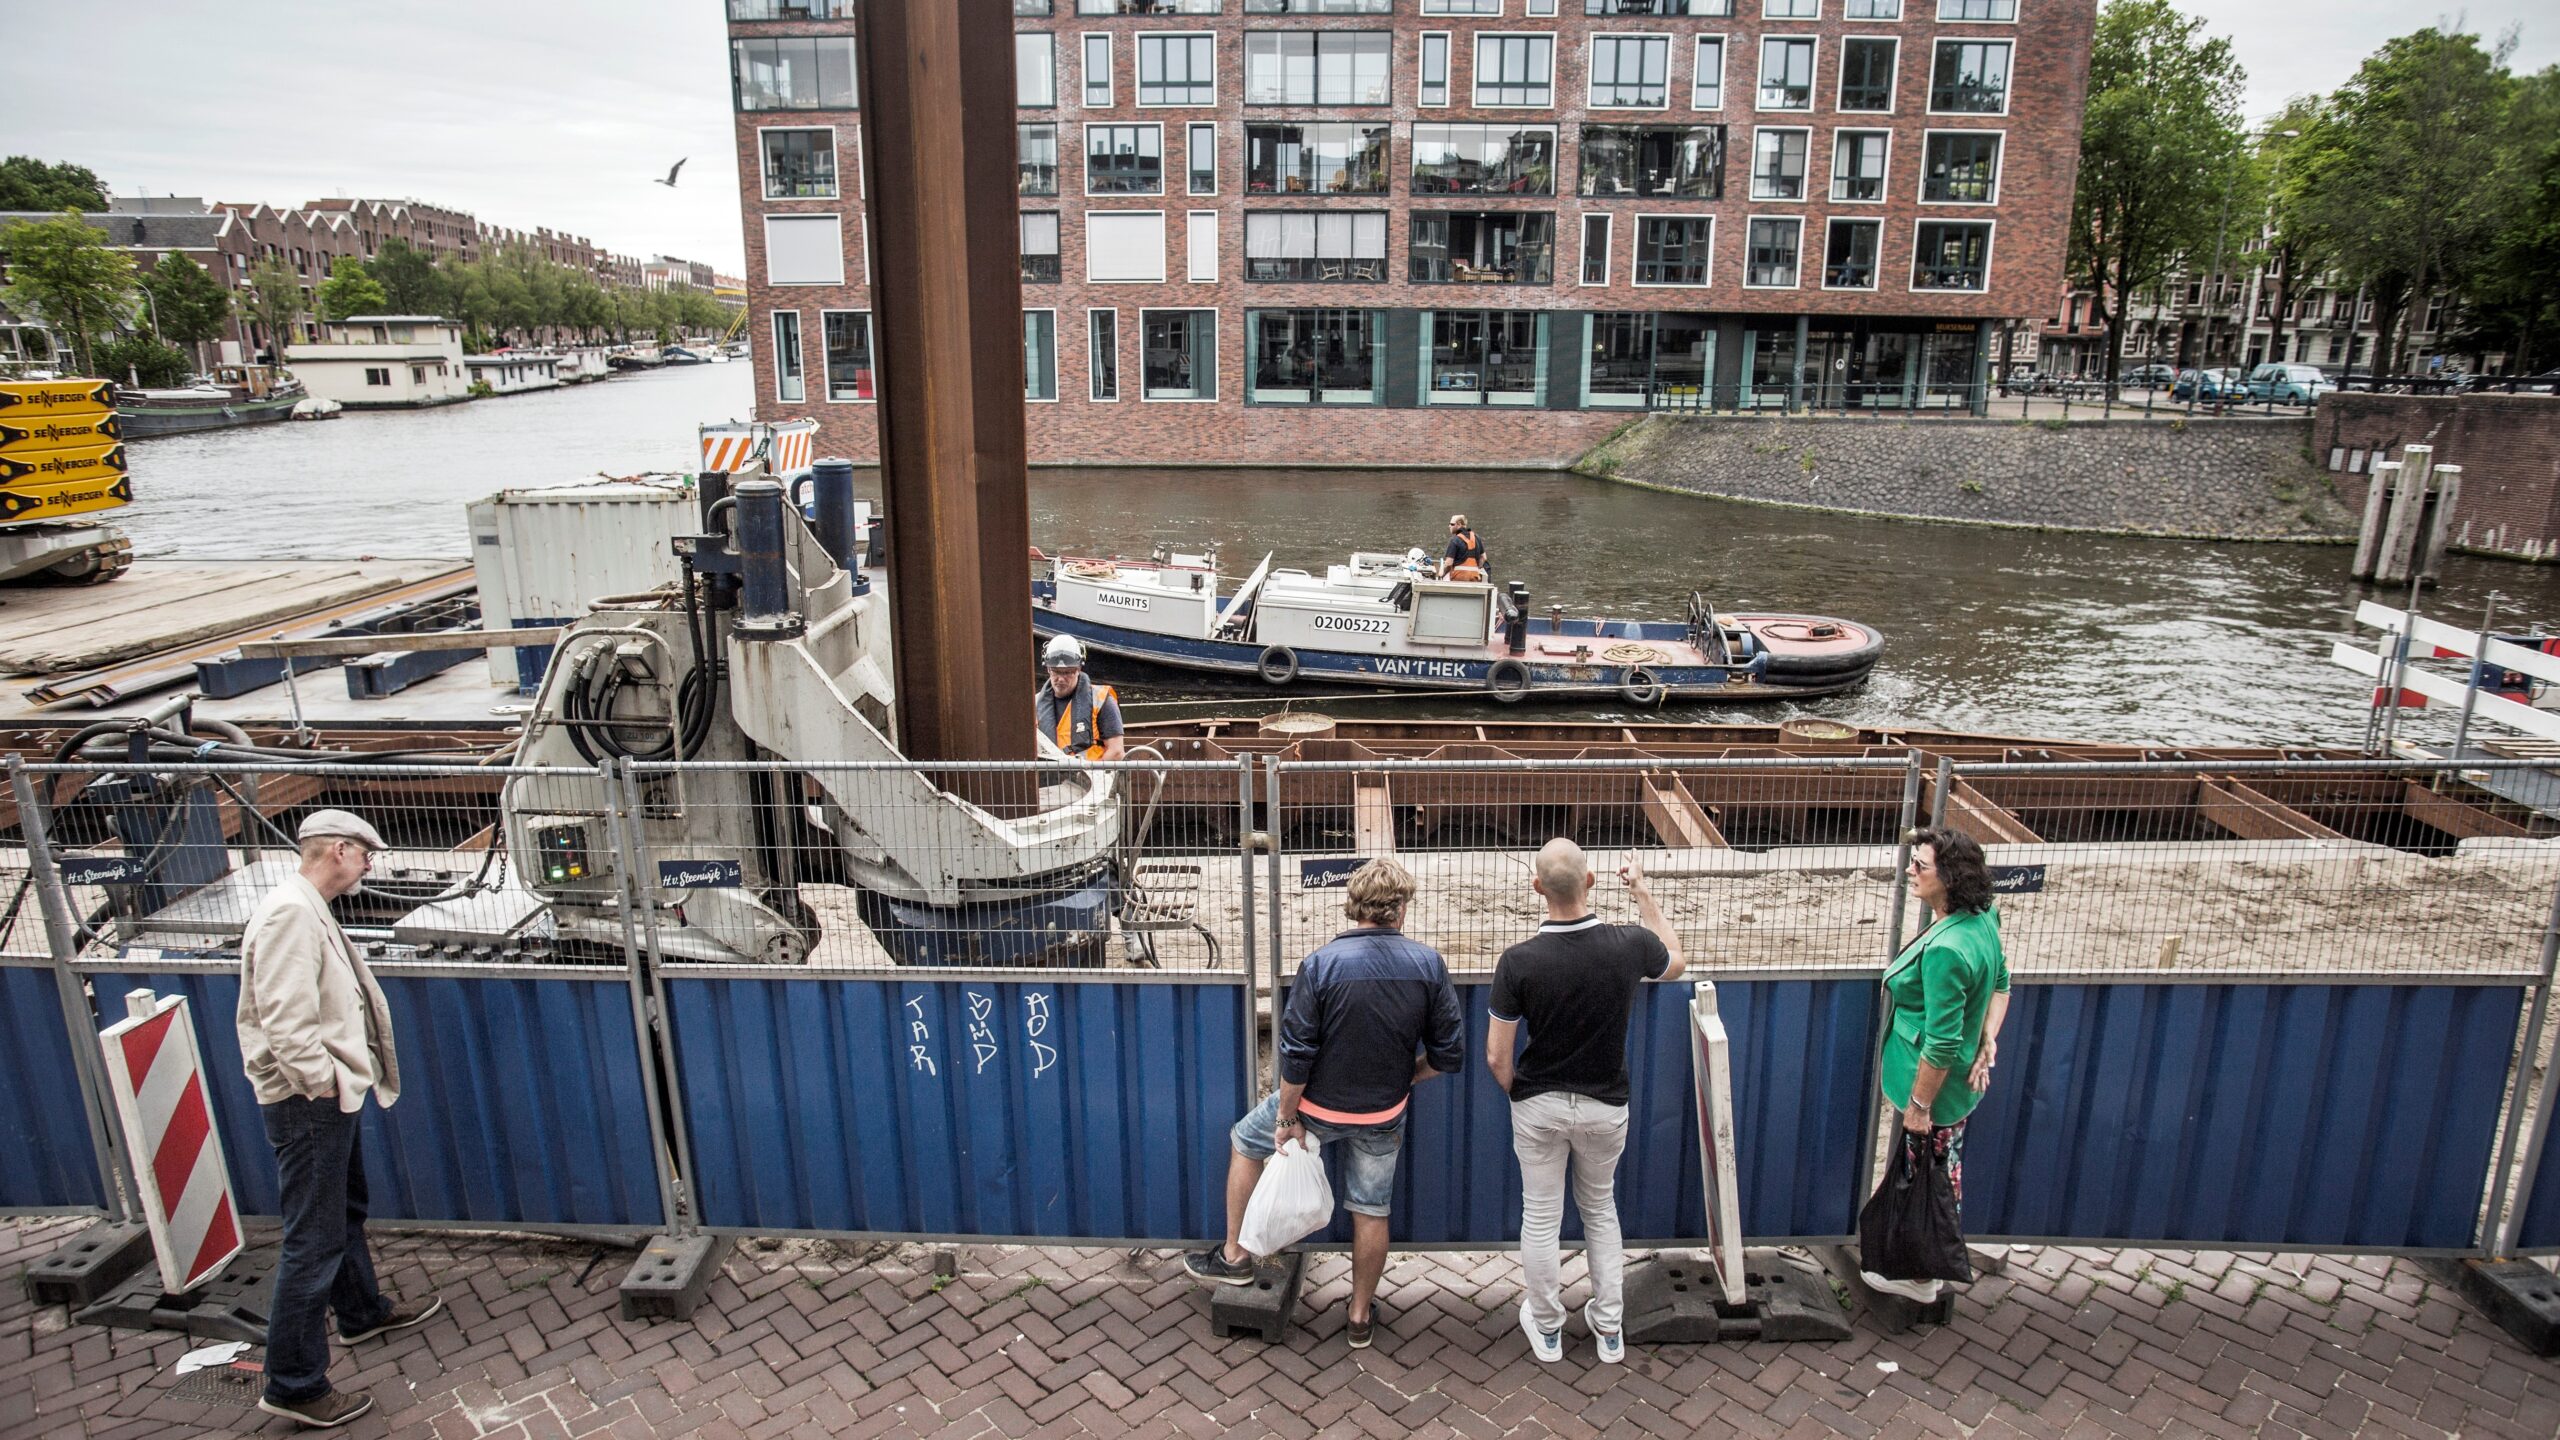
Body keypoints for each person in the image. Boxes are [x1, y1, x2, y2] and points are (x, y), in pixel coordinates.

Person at [1187, 858, 1464, 1349]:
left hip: (1317, 1107)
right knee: (1372, 1209)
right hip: (1384, 1113)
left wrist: (1288, 1118)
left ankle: (1234, 1256)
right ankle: (1359, 1316)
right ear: (1400, 909)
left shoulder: (1320, 964)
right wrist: (1405, 1081)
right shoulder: (1428, 964)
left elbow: (1296, 1055)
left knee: (1244, 1141)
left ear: (1352, 906)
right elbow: (1448, 1055)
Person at [238, 810, 442, 1429]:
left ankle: (360, 1311)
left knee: (344, 1209)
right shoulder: (289, 914)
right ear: (337, 850)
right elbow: (285, 1019)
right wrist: (323, 1086)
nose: (370, 865)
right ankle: (295, 1383)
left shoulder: (306, 906)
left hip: (326, 1098)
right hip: (311, 1104)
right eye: (365, 854)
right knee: (312, 1241)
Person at [1487, 841, 1686, 1365]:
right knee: (1600, 1210)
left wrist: (1519, 1092)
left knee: (1541, 1217)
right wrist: (1641, 889)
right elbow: (1677, 961)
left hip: (1539, 1105)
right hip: (1605, 1106)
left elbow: (1496, 1056)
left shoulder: (1518, 961)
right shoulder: (1629, 945)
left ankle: (1548, 1329)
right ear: (1592, 881)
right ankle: (1610, 1329)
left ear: (1536, 889)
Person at [1868, 825, 2012, 1305]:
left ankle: (1921, 1276)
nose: (1910, 870)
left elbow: (1943, 1043)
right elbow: (2002, 981)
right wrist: (1988, 1033)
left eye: (1920, 866)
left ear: (1948, 877)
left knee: (1926, 1184)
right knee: (1936, 1175)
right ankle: (1922, 1266)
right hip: (1960, 1089)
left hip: (1935, 1091)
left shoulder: (1947, 950)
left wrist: (1918, 1105)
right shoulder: (1982, 917)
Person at [1034, 633, 1124, 761]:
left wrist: (1091, 776)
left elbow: (1117, 752)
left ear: (1078, 669)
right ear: (1048, 669)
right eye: (1055, 671)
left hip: (1092, 778)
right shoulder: (1035, 703)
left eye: (1067, 672)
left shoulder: (1101, 699)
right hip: (1050, 778)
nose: (1060, 678)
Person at [1438, 514, 1487, 581]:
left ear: (1459, 524)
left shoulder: (1455, 540)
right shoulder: (1477, 538)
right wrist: (1477, 568)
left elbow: (1449, 563)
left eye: (1452, 524)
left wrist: (1442, 574)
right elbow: (1483, 558)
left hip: (1459, 578)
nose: (1449, 526)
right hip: (1474, 578)